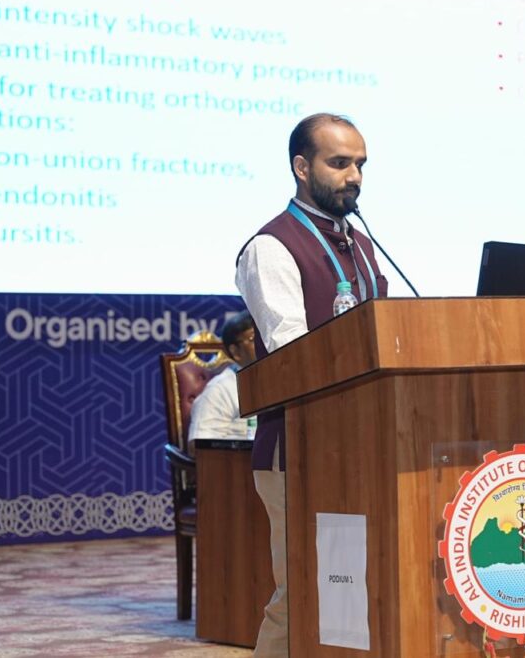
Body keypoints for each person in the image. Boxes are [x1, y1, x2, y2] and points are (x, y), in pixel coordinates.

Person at [234, 113, 388, 657]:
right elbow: (293, 356)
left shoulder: (363, 246)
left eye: (360, 164)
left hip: (364, 446)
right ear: (302, 168)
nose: (354, 176)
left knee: (356, 593)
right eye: (339, 163)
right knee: (301, 592)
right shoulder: (272, 247)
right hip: (298, 450)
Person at [186, 311, 257, 449]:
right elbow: (199, 448)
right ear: (235, 352)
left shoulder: (283, 382)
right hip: (238, 461)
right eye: (254, 339)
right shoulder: (219, 390)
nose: (264, 344)